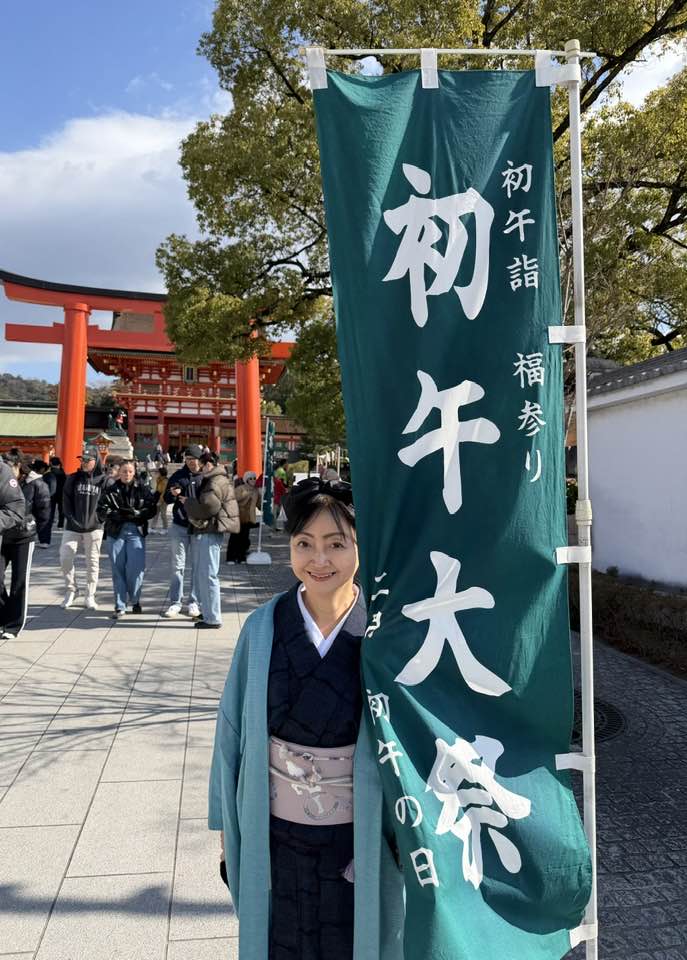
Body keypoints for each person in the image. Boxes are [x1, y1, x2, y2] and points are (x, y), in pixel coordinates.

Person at [209, 477, 404, 960]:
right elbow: (231, 731)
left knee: (354, 940)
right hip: (275, 831)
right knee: (281, 939)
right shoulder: (262, 627)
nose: (319, 560)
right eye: (304, 544)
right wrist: (226, 828)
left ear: (360, 547)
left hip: (358, 832)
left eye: (336, 544)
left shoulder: (384, 633)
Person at [182, 452, 239, 629]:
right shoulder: (220, 479)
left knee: (208, 575)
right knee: (205, 574)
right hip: (212, 530)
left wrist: (188, 502)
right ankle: (208, 612)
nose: (199, 469)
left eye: (201, 466)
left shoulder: (214, 481)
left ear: (208, 465)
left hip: (210, 530)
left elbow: (207, 508)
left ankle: (212, 617)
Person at [97, 460, 157, 618]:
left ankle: (135, 599)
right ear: (119, 472)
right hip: (116, 531)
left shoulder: (143, 489)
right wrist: (116, 514)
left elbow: (152, 509)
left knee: (136, 569)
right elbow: (101, 510)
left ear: (134, 472)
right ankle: (120, 605)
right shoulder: (111, 489)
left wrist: (138, 513)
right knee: (118, 568)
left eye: (130, 471)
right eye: (124, 471)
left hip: (136, 530)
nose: (127, 474)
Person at [59, 446, 107, 609]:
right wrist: (70, 518)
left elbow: (108, 503)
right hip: (73, 526)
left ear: (96, 460)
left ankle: (90, 595)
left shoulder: (104, 480)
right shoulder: (73, 478)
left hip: (94, 527)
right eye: (82, 460)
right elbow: (66, 501)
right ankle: (71, 590)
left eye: (88, 460)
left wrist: (99, 519)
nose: (84, 463)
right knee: (65, 557)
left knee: (92, 562)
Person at [163, 445, 204, 618]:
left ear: (200, 459)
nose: (190, 462)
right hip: (179, 525)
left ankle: (194, 601)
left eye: (193, 459)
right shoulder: (178, 475)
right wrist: (173, 493)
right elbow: (166, 498)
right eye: (187, 459)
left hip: (198, 527)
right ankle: (175, 602)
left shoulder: (205, 476)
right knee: (177, 566)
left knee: (197, 566)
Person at [0, 456, 35, 639]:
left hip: (22, 536)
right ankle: (4, 617)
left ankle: (13, 626)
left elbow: (16, 507)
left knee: (19, 582)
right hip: (2, 536)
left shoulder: (3, 472)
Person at [226, 470, 260, 563]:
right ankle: (231, 557)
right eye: (250, 478)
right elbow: (233, 500)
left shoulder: (256, 491)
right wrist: (247, 494)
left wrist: (263, 496)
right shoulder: (240, 489)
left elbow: (259, 504)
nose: (253, 480)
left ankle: (241, 556)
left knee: (244, 539)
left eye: (254, 478)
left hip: (249, 518)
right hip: (238, 516)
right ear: (246, 480)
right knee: (235, 538)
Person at [32, 460, 56, 547]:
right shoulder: (47, 476)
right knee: (41, 521)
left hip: (46, 502)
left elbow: (52, 490)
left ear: (42, 469)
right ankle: (42, 540)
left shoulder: (49, 477)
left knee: (45, 522)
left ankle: (44, 541)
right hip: (44, 501)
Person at [48, 455, 66, 529]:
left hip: (51, 493)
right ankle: (60, 524)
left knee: (51, 509)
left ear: (51, 463)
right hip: (61, 493)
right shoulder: (62, 472)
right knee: (61, 510)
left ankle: (50, 522)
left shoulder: (50, 472)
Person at [153, 466, 169, 531]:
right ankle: (152, 527)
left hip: (164, 498)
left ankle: (165, 528)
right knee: (155, 513)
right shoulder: (158, 479)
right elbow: (157, 489)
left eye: (158, 472)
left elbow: (164, 492)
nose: (157, 473)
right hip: (158, 497)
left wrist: (160, 501)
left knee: (163, 514)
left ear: (161, 473)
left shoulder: (165, 481)